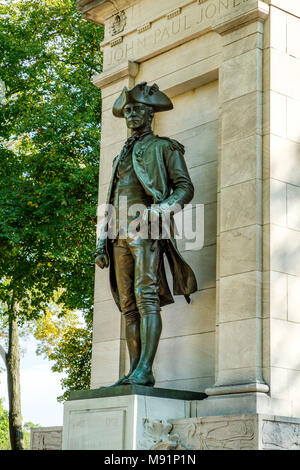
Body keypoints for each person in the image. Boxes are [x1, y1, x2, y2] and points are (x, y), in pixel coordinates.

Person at [94, 81, 197, 387]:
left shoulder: (165, 147)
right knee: (127, 305)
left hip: (147, 229)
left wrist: (161, 210)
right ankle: (133, 370)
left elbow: (185, 188)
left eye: (137, 109)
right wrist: (102, 241)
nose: (131, 115)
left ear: (150, 113)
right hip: (118, 236)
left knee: (146, 298)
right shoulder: (119, 155)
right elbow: (111, 198)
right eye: (127, 110)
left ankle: (145, 370)